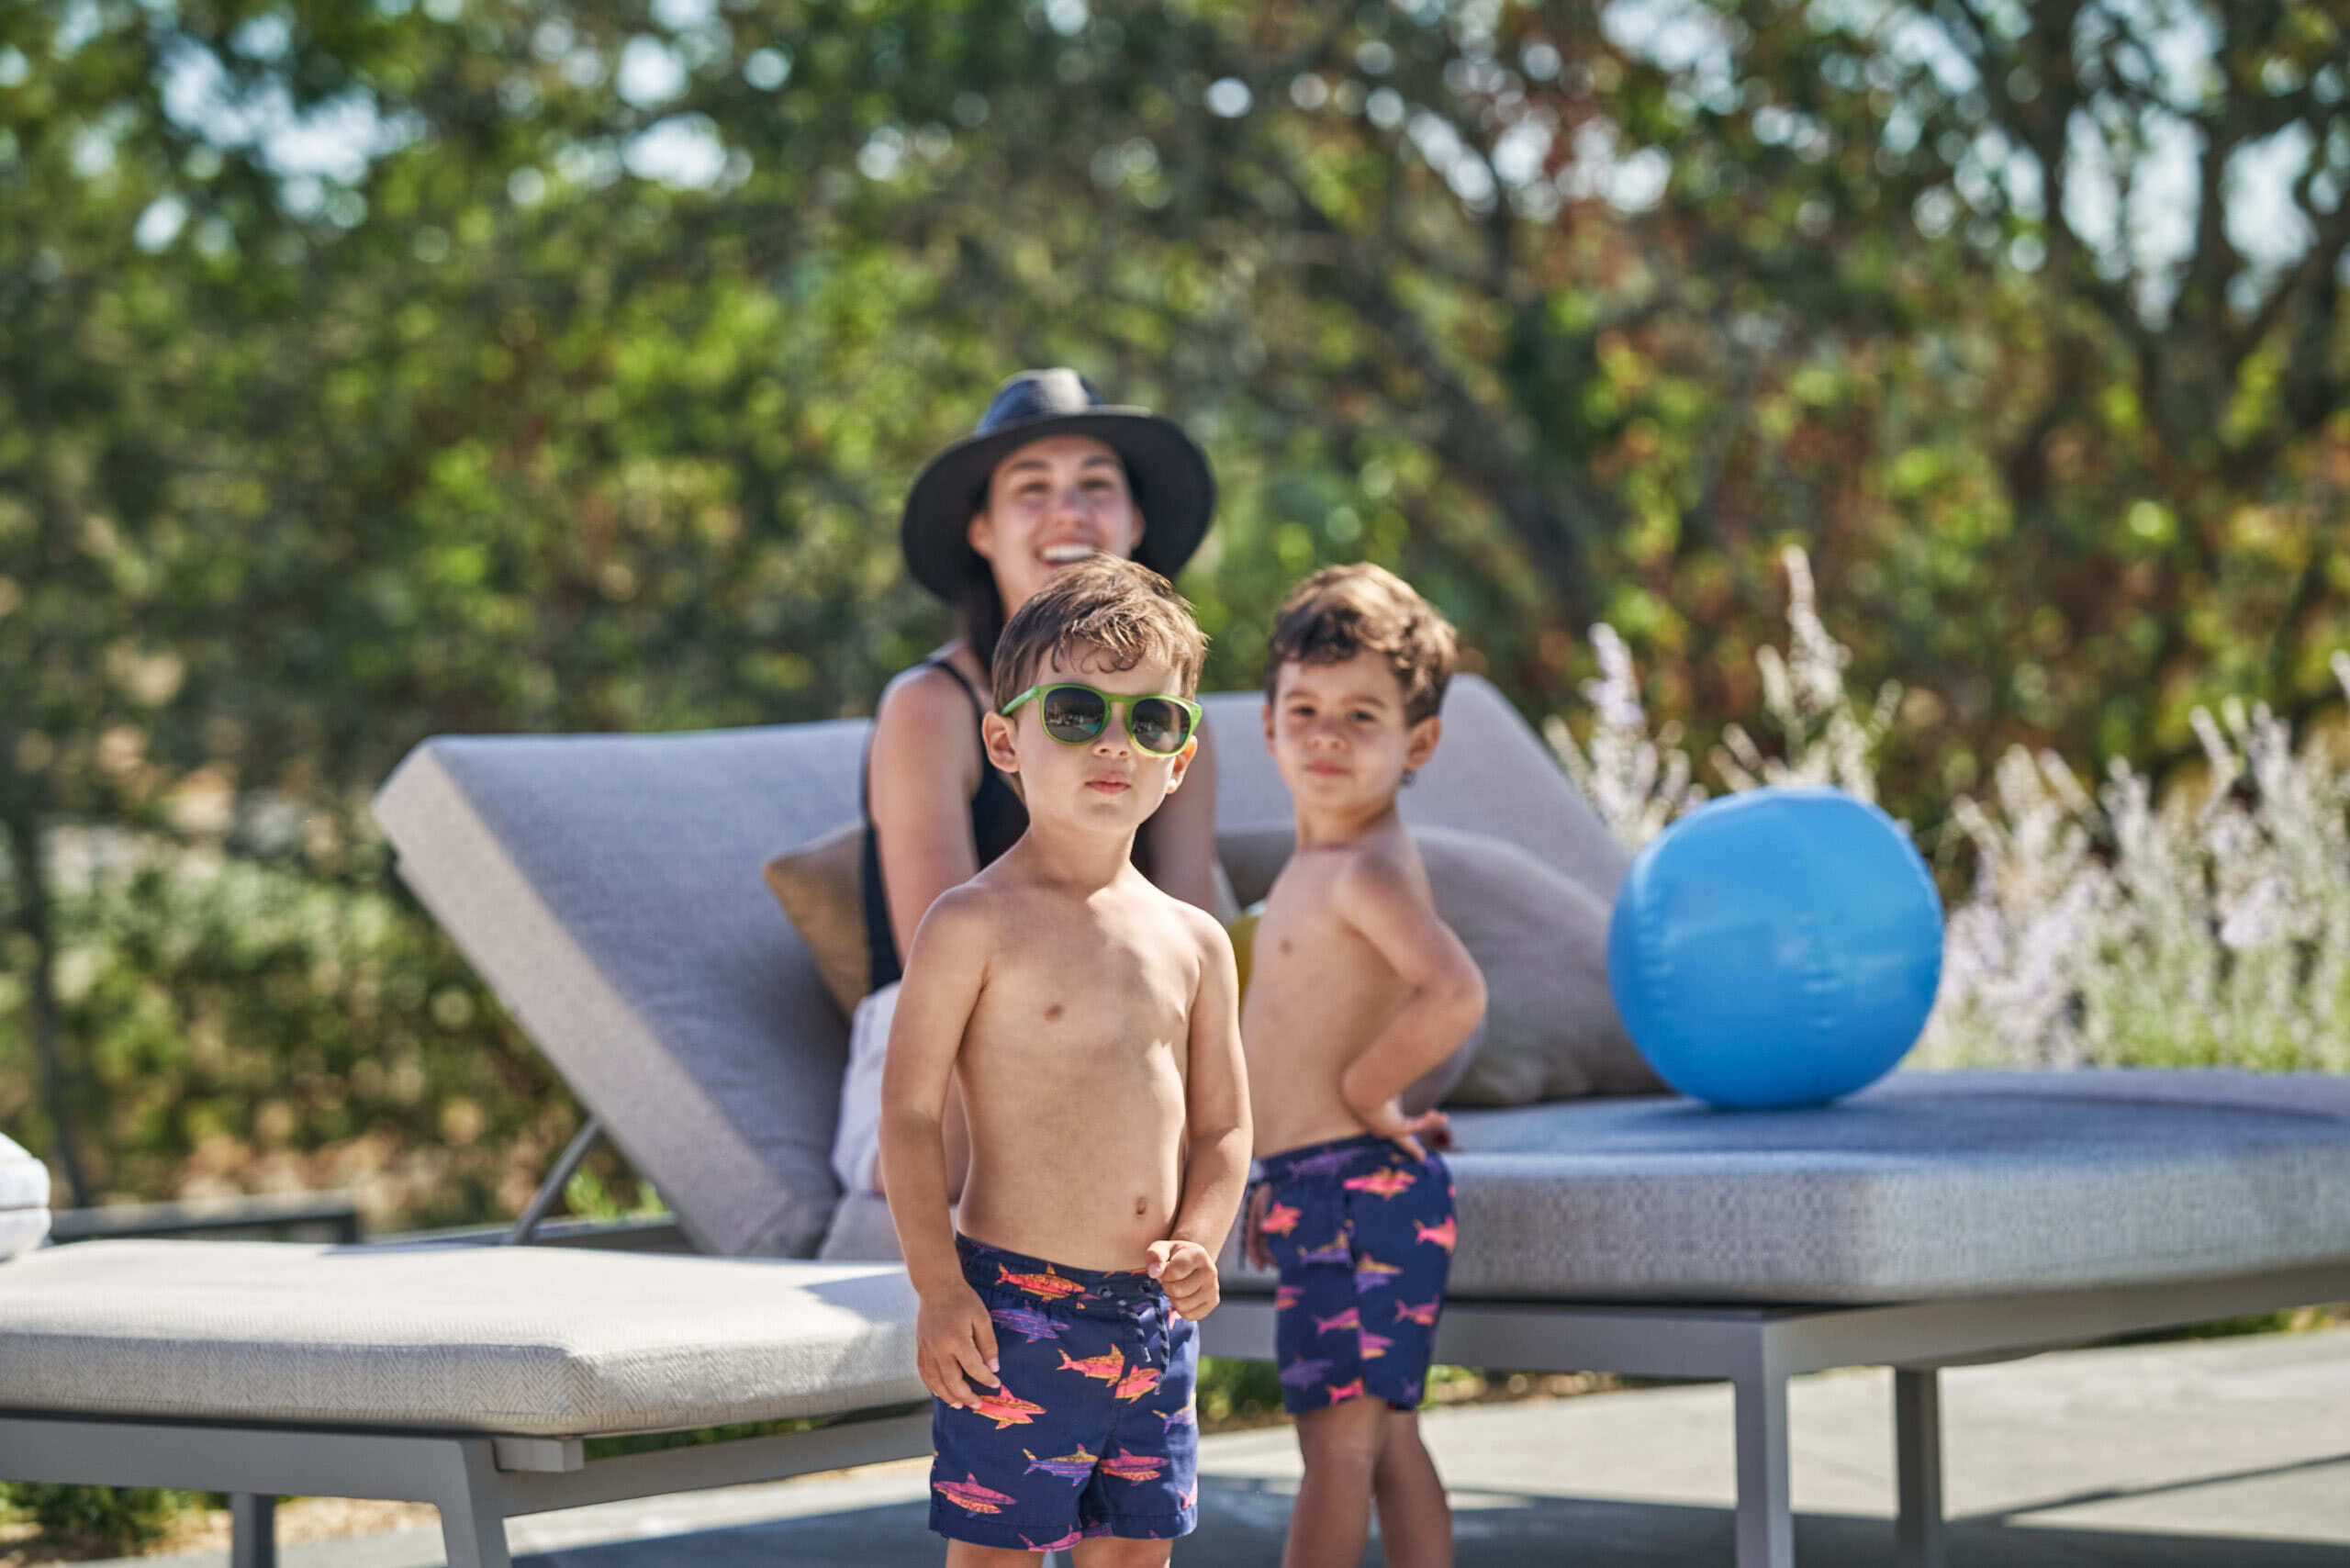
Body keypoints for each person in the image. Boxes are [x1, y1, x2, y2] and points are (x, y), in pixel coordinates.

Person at [880, 556, 1251, 1561]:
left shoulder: (1195, 940)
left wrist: (1202, 1240)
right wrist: (938, 1286)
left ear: (1179, 758)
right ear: (1005, 739)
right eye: (1078, 713)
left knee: (1136, 1550)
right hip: (1015, 1311)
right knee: (997, 1553)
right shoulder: (970, 924)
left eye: (1151, 721)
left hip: (1153, 1319)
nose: (1117, 744)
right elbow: (909, 1116)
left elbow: (1222, 1128)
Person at [835, 369, 1226, 1202]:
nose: (1068, 512)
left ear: (1135, 520)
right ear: (981, 529)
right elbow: (937, 963)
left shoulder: (1174, 723)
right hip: (948, 1033)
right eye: (1032, 488)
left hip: (1128, 1007)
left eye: (1095, 485)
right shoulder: (930, 709)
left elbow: (1193, 939)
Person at [1239, 564, 1486, 1568]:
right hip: (1326, 1181)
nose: (1327, 734)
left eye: (1361, 715)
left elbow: (1456, 990)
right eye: (1304, 709)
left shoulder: (1367, 868)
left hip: (1353, 1182)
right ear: (1266, 727)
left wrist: (1366, 1092)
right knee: (1379, 1436)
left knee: (1336, 1445)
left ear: (1416, 741)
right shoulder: (1315, 864)